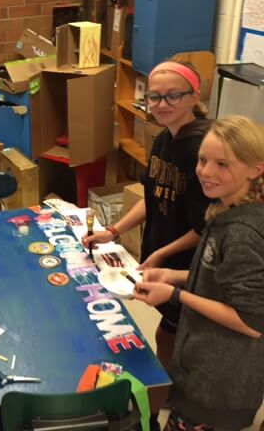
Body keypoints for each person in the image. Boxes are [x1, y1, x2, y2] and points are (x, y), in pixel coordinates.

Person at [82, 60, 212, 427]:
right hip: (160, 253)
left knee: (180, 332)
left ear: (194, 97)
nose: (161, 103)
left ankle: (177, 396)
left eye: (173, 95)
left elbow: (203, 224)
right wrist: (114, 231)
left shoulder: (201, 145)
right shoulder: (162, 139)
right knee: (167, 328)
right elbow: (151, 197)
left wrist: (162, 253)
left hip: (186, 262)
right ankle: (168, 387)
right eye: (154, 96)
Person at [133, 116, 264, 430]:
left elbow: (251, 322)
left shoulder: (244, 231)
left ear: (255, 169)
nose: (206, 171)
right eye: (202, 160)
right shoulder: (226, 208)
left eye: (222, 164)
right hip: (202, 367)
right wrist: (172, 276)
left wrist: (177, 294)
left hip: (219, 386)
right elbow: (218, 277)